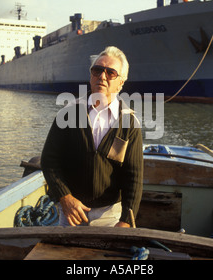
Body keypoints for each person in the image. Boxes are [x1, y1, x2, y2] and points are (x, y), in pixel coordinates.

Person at [41, 46, 143, 228]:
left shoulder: (130, 123)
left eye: (111, 73)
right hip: (71, 212)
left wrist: (126, 220)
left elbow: (133, 176)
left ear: (121, 83)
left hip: (109, 216)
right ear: (90, 76)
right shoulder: (68, 114)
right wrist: (64, 197)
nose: (102, 76)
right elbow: (49, 161)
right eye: (97, 70)